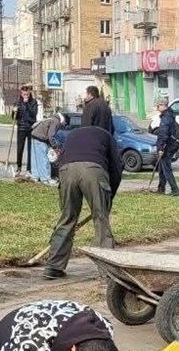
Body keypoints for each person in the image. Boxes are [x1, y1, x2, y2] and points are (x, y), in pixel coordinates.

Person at [41, 123, 122, 279]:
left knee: (67, 218)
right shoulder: (108, 136)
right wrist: (108, 196)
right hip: (93, 170)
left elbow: (60, 160)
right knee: (101, 219)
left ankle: (53, 267)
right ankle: (106, 272)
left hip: (66, 170)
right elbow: (116, 168)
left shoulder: (73, 133)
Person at [152, 96, 179, 197]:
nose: (157, 108)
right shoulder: (169, 115)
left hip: (168, 146)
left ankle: (175, 190)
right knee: (161, 167)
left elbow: (163, 134)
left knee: (166, 168)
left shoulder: (166, 117)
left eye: (158, 105)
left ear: (162, 105)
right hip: (172, 144)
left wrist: (160, 148)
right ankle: (161, 188)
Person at [28, 110, 66, 186]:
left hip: (34, 135)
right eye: (65, 123)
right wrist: (55, 147)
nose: (64, 125)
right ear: (63, 120)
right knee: (44, 159)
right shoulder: (56, 121)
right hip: (40, 138)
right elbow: (51, 135)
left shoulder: (52, 118)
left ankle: (36, 176)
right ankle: (45, 179)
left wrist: (51, 145)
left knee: (35, 158)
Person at [14, 86, 38, 174]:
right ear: (21, 94)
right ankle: (19, 167)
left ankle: (29, 169)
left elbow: (34, 114)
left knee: (30, 149)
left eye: (27, 94)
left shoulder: (33, 102)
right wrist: (14, 111)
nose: (26, 96)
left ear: (30, 93)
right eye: (24, 94)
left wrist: (27, 104)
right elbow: (14, 118)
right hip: (21, 128)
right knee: (20, 148)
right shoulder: (18, 102)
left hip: (31, 128)